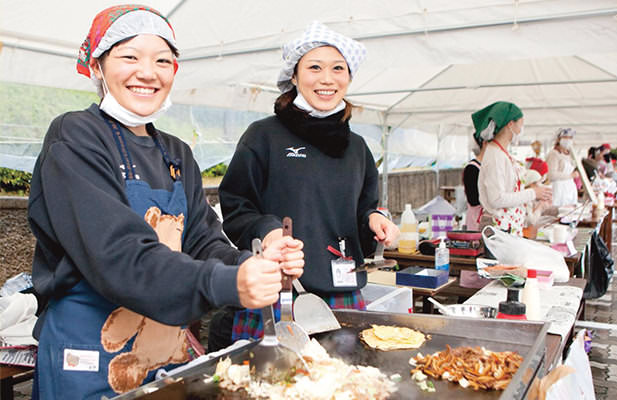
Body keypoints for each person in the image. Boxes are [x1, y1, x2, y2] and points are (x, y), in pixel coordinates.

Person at [27, 6, 304, 399]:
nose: (148, 72)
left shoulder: (175, 153)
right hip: (86, 356)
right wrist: (227, 282)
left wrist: (255, 266)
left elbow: (203, 243)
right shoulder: (75, 137)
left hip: (164, 352)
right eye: (129, 57)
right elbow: (118, 255)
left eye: (162, 60)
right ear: (96, 67)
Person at [218, 21, 399, 342]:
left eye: (338, 69)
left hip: (343, 291)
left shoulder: (357, 147)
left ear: (349, 77)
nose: (327, 79)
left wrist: (374, 220)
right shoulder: (264, 136)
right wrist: (267, 231)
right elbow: (235, 206)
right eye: (314, 67)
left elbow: (363, 209)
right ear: (294, 75)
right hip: (276, 291)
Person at [473, 101, 552, 236]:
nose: (521, 130)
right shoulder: (495, 156)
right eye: (521, 124)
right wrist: (533, 193)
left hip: (509, 228)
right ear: (510, 124)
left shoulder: (502, 153)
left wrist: (537, 197)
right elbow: (496, 199)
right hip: (498, 230)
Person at [546, 128, 579, 206]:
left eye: (570, 138)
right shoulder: (554, 154)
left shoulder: (570, 154)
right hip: (558, 188)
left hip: (569, 187)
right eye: (565, 137)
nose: (568, 140)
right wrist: (570, 175)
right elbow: (551, 174)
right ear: (559, 139)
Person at [463, 137, 487, 231]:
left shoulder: (485, 166)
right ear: (484, 144)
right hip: (476, 220)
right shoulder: (472, 169)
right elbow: (473, 199)